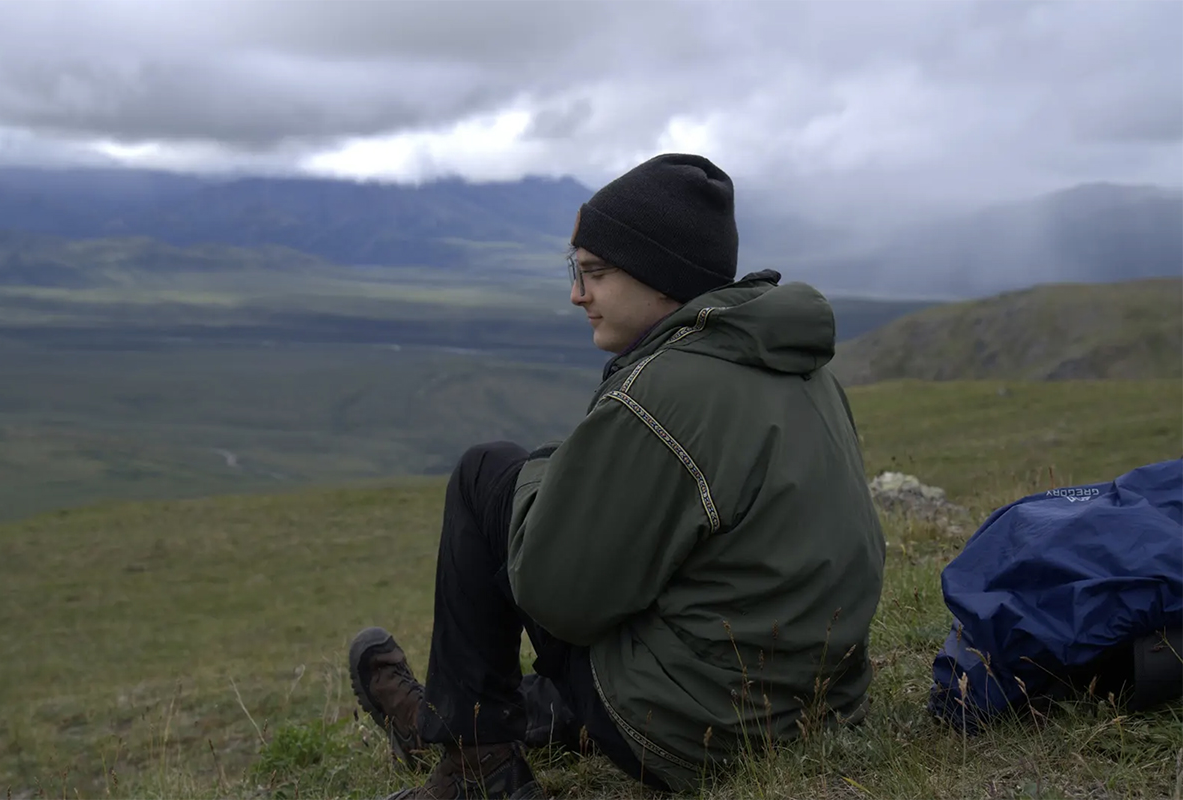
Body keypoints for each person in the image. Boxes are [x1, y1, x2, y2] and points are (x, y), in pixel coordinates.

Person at [348, 153, 887, 799]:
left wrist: (548, 485)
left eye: (596, 273)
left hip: (703, 732)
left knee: (486, 474)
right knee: (571, 499)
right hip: (815, 707)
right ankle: (442, 724)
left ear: (663, 275)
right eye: (576, 272)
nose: (579, 294)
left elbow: (558, 598)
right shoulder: (802, 368)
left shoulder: (663, 394)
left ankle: (473, 766)